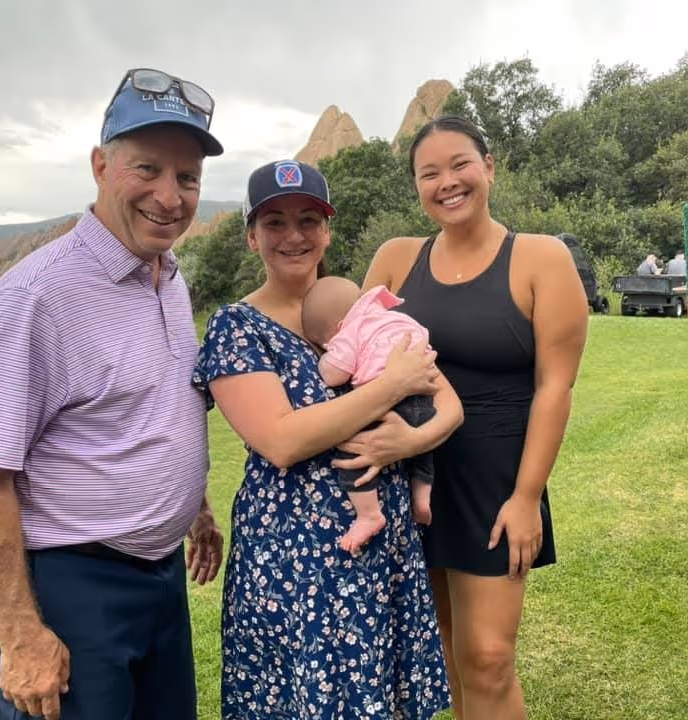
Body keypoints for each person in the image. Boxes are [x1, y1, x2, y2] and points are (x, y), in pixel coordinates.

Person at [0, 68, 225, 720]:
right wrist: (19, 636)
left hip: (160, 585)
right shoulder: (35, 297)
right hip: (72, 591)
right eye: (148, 169)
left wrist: (196, 506)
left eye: (187, 178)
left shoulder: (167, 275)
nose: (170, 195)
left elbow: (151, 408)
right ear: (101, 166)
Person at [192, 159, 463, 719]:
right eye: (275, 222)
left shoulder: (357, 310)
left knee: (376, 695)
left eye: (309, 219)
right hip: (293, 551)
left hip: (379, 538)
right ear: (250, 235)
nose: (294, 236)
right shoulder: (236, 327)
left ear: (328, 230)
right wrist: (390, 385)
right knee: (303, 698)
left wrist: (407, 445)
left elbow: (449, 406)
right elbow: (283, 442)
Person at [360, 116, 589, 720]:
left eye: (460, 164)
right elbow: (359, 357)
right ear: (415, 186)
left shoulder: (541, 258)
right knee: (444, 653)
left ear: (490, 166)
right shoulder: (395, 259)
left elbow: (555, 385)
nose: (447, 182)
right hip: (413, 478)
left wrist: (527, 497)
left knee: (487, 656)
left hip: (496, 479)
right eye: (428, 173)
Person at [301, 275, 437, 552]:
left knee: (354, 455)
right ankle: (422, 496)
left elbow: (334, 375)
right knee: (423, 451)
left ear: (339, 326)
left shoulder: (351, 331)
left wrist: (324, 359)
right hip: (425, 401)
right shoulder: (392, 318)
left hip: (386, 405)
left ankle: (368, 515)